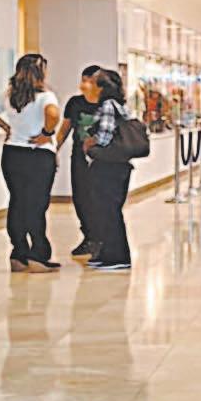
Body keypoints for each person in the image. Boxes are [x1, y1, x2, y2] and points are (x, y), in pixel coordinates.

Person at [0, 53, 62, 273]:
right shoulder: (45, 96)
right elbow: (53, 114)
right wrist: (47, 133)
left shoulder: (10, 95)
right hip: (38, 154)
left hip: (12, 153)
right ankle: (38, 254)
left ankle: (19, 253)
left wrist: (6, 127)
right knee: (36, 205)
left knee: (17, 202)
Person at [84, 69, 135, 272]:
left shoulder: (107, 105)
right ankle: (107, 254)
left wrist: (90, 143)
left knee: (108, 211)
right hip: (119, 165)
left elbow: (104, 136)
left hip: (108, 166)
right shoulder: (120, 105)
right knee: (108, 210)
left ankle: (117, 256)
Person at [57, 65, 104, 259]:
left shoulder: (107, 104)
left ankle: (101, 238)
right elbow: (65, 129)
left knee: (98, 198)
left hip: (101, 159)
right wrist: (54, 149)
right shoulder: (75, 103)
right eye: (83, 80)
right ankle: (89, 237)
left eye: (89, 81)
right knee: (80, 198)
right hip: (79, 157)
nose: (85, 85)